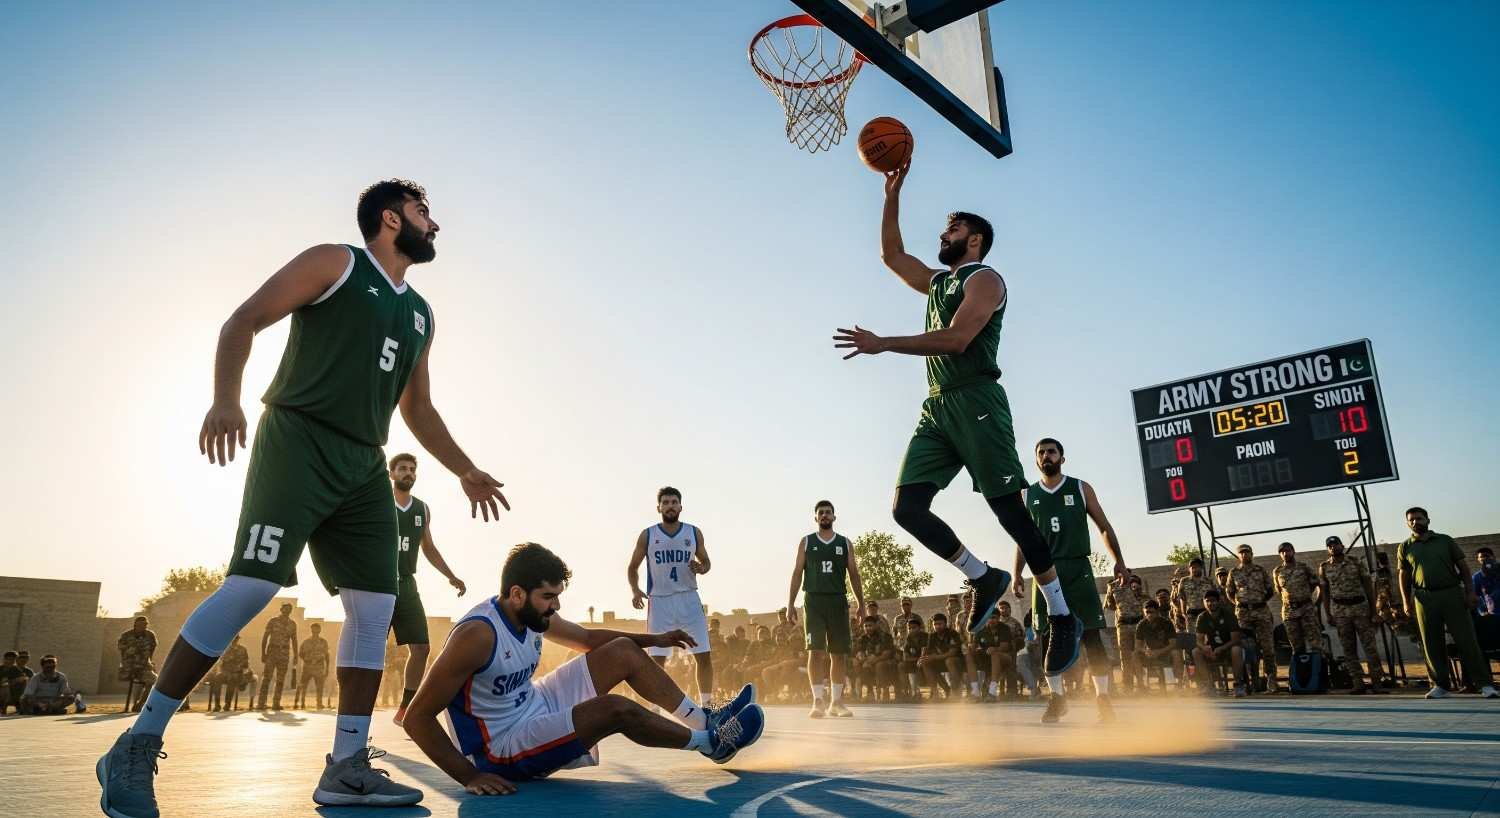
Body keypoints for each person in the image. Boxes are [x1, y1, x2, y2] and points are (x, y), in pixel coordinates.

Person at [98, 179, 511, 816]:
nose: (436, 224)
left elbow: (419, 409)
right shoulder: (337, 261)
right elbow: (244, 320)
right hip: (297, 438)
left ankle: (346, 766)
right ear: (392, 218)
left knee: (376, 606)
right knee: (252, 588)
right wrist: (226, 398)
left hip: (362, 463)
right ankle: (137, 740)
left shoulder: (421, 313)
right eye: (426, 213)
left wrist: (465, 470)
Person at [833, 163, 1081, 677]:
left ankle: (1060, 613)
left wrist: (883, 344)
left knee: (1011, 514)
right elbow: (892, 255)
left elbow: (957, 340)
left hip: (978, 402)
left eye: (952, 229)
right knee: (907, 508)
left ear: (976, 240)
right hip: (938, 405)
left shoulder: (986, 280)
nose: (943, 235)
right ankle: (982, 577)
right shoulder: (940, 282)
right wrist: (890, 194)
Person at [402, 542, 763, 795]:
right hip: (502, 746)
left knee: (620, 650)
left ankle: (702, 719)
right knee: (614, 710)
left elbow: (589, 638)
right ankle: (710, 744)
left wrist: (655, 638)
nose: (555, 605)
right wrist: (468, 776)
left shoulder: (532, 613)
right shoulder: (476, 635)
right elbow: (417, 717)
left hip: (535, 702)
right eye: (548, 597)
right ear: (516, 594)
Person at [1015, 438, 1128, 724]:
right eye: (1041, 452)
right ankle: (1057, 698)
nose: (1046, 456)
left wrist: (1119, 561)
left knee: (1091, 635)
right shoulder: (1027, 494)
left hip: (1078, 569)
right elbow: (1022, 539)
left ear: (1062, 458)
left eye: (1051, 452)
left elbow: (1103, 526)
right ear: (1036, 460)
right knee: (1046, 638)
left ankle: (1103, 699)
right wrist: (1016, 572)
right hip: (1044, 572)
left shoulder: (1080, 487)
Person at [387, 452, 467, 726]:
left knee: (421, 648)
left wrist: (450, 575)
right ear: (391, 474)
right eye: (402, 469)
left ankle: (405, 710)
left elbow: (428, 548)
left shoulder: (422, 509)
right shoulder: (379, 502)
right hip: (378, 582)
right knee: (370, 651)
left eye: (412, 469)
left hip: (406, 583)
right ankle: (357, 712)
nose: (408, 473)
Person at [1396, 508, 1498, 699]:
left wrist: (1470, 593)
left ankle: (1485, 684)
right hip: (1424, 598)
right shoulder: (1405, 546)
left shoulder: (1444, 540)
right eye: (1411, 520)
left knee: (1466, 639)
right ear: (1407, 523)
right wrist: (1405, 602)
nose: (1415, 522)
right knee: (1431, 642)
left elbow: (1464, 568)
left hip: (1451, 593)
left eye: (1419, 518)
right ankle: (1440, 685)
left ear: (1427, 520)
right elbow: (1404, 575)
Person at [628, 487, 714, 704]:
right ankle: (656, 707)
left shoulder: (693, 532)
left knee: (703, 655)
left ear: (681, 507)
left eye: (674, 502)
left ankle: (706, 704)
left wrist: (701, 568)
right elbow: (632, 567)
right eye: (665, 502)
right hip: (660, 601)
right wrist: (635, 590)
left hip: (689, 599)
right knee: (657, 659)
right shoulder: (648, 534)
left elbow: (707, 562)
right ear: (658, 507)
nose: (670, 506)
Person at [786, 500, 865, 718]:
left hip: (838, 600)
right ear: (815, 518)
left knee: (839, 653)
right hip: (814, 600)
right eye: (821, 513)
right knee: (816, 651)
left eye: (828, 512)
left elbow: (854, 575)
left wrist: (861, 603)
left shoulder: (845, 543)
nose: (824, 515)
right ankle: (818, 700)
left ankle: (837, 702)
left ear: (834, 517)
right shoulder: (806, 542)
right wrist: (791, 604)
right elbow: (796, 573)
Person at [1318, 535, 1388, 694]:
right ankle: (1358, 684)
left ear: (1342, 546)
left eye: (1336, 544)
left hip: (1360, 609)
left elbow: (1368, 586)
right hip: (1341, 612)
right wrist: (1328, 614)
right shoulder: (1324, 567)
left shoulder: (1356, 562)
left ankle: (1377, 683)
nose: (1333, 547)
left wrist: (1374, 610)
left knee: (1370, 648)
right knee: (1348, 649)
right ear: (1327, 549)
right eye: (1329, 546)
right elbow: (1325, 593)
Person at [1227, 544, 1277, 691]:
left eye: (1246, 552)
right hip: (1243, 614)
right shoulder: (1234, 572)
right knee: (1247, 648)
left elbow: (1270, 590)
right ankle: (1250, 681)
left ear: (1251, 554)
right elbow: (1230, 592)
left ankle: (1271, 679)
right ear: (1238, 556)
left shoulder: (1260, 570)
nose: (1244, 555)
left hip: (1261, 611)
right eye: (1241, 553)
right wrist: (1240, 604)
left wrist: (1259, 601)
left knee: (1267, 647)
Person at [1273, 542, 1323, 658]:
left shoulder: (1304, 567)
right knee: (1296, 645)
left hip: (1306, 609)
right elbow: (1280, 591)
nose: (1285, 553)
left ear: (1293, 551)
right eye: (1282, 552)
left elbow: (1318, 585)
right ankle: (1301, 672)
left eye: (1288, 550)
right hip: (1289, 612)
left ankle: (1318, 672)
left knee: (1315, 643)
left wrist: (1317, 603)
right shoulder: (1277, 571)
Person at [1193, 589, 1246, 697]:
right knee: (1196, 652)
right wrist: (1204, 648)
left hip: (1228, 648)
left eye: (1213, 601)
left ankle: (1238, 684)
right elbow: (1198, 640)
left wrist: (1221, 648)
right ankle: (1208, 685)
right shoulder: (1202, 617)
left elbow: (1236, 639)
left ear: (1218, 601)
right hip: (1212, 650)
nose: (1210, 603)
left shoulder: (1229, 615)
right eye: (1207, 601)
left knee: (1236, 649)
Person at [1105, 574, 1148, 693]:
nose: (1134, 585)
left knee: (1137, 654)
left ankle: (1141, 684)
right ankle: (1128, 685)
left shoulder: (1143, 597)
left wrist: (1136, 592)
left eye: (1136, 582)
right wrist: (1110, 589)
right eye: (1131, 582)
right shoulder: (1119, 593)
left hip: (1138, 625)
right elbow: (1110, 606)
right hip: (1123, 626)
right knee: (1125, 657)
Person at [257, 603, 299, 710]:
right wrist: (263, 653)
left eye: (289, 609)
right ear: (281, 609)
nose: (287, 610)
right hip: (272, 652)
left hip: (284, 654)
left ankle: (276, 703)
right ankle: (261, 703)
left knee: (280, 680)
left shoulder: (292, 624)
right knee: (267, 678)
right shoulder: (273, 621)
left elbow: (294, 640)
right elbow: (265, 637)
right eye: (285, 608)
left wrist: (296, 655)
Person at [1135, 601, 1184, 690]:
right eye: (1147, 612)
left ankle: (1179, 683)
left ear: (1157, 612)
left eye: (1151, 612)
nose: (1149, 615)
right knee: (1135, 655)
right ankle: (1141, 685)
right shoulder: (1141, 624)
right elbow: (1138, 646)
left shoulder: (1166, 623)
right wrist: (1145, 651)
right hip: (1150, 653)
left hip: (1165, 652)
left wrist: (1159, 651)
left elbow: (1173, 643)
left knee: (1176, 653)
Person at [918, 613, 964, 701]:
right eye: (935, 624)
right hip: (941, 660)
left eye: (939, 624)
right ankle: (936, 693)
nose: (937, 626)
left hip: (957, 661)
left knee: (949, 661)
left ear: (945, 624)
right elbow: (928, 650)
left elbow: (952, 652)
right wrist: (922, 658)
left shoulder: (952, 633)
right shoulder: (932, 636)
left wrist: (935, 657)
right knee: (925, 662)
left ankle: (955, 692)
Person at [852, 616, 898, 701]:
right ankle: (870, 692)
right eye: (865, 626)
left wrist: (872, 661)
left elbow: (887, 654)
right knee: (861, 666)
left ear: (876, 625)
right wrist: (862, 658)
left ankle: (885, 691)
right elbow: (858, 651)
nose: (868, 628)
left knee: (880, 665)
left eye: (870, 625)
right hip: (869, 662)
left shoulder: (885, 636)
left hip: (886, 662)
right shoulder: (862, 638)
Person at [117, 618, 158, 713]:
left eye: (145, 625)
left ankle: (140, 704)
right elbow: (120, 647)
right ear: (135, 625)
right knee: (138, 681)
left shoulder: (150, 635)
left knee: (153, 680)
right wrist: (131, 649)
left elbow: (153, 647)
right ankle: (134, 703)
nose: (143, 627)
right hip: (129, 666)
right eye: (140, 625)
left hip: (144, 666)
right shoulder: (126, 635)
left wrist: (149, 661)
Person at [1174, 559, 1214, 641]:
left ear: (1202, 568)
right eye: (1193, 567)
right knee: (1192, 640)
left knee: (1209, 639)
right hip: (1191, 615)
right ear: (1190, 569)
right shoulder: (1184, 581)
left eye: (1198, 567)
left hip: (1206, 614)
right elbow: (1182, 598)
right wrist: (1184, 614)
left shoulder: (1208, 581)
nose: (1195, 569)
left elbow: (1215, 597)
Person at [298, 623, 333, 710]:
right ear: (311, 630)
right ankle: (302, 703)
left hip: (319, 667)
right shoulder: (306, 642)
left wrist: (327, 668)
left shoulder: (323, 642)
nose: (315, 631)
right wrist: (307, 660)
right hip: (307, 667)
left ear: (319, 630)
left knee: (319, 686)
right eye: (314, 629)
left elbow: (326, 656)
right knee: (304, 685)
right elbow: (300, 653)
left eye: (317, 629)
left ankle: (319, 703)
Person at [899, 616, 929, 701]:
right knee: (903, 665)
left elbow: (924, 651)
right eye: (909, 628)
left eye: (914, 628)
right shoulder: (908, 639)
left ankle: (921, 692)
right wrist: (916, 659)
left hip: (927, 659)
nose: (911, 630)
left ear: (919, 628)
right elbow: (905, 657)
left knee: (919, 664)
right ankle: (912, 692)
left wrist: (919, 659)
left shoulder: (925, 636)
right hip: (915, 660)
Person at [1473, 547, 1500, 616]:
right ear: (1478, 560)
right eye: (1482, 557)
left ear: (1493, 557)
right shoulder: (1476, 577)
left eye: (1487, 556)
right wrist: (1482, 612)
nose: (1485, 558)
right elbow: (1475, 597)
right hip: (1493, 615)